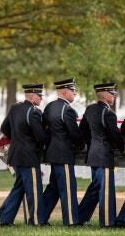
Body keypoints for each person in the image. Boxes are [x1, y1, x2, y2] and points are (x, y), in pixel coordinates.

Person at [0, 84, 48, 226]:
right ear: (31, 96)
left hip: (16, 154)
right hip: (28, 156)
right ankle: (36, 221)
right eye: (39, 95)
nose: (41, 98)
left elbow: (5, 128)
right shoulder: (33, 112)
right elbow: (41, 137)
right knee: (34, 190)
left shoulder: (15, 108)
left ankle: (4, 218)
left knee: (19, 188)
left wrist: (18, 139)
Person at [78, 83, 125, 227]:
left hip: (93, 155)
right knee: (106, 190)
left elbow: (83, 131)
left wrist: (90, 144)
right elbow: (115, 135)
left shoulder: (90, 109)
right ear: (104, 95)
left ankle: (79, 218)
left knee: (95, 189)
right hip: (104, 156)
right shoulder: (109, 113)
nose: (115, 95)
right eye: (112, 93)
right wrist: (122, 147)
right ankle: (107, 222)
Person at [42, 78, 84, 226]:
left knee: (53, 187)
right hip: (64, 154)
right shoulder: (67, 110)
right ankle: (71, 221)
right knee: (68, 188)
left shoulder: (49, 107)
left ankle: (40, 218)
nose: (75, 94)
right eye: (73, 91)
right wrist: (82, 143)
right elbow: (74, 133)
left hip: (53, 153)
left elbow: (44, 131)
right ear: (65, 92)